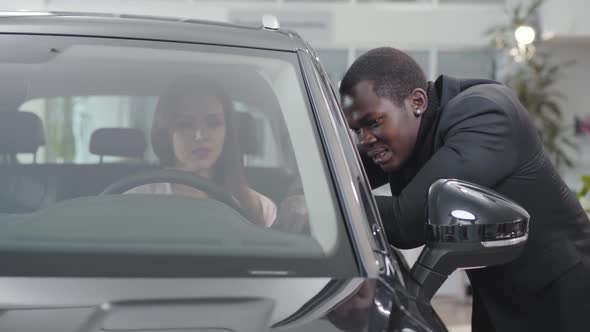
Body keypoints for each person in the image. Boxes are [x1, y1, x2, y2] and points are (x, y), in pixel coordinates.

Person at [339, 47, 590, 331]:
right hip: (497, 294)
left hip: (562, 298)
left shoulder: (485, 115)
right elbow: (339, 173)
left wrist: (322, 205)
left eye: (373, 123)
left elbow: (405, 221)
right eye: (357, 130)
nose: (366, 139)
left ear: (417, 102)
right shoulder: (403, 135)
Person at [127, 76, 276, 227]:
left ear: (227, 132)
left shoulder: (259, 208)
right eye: (186, 124)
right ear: (166, 134)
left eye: (213, 123)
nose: (200, 136)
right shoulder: (135, 201)